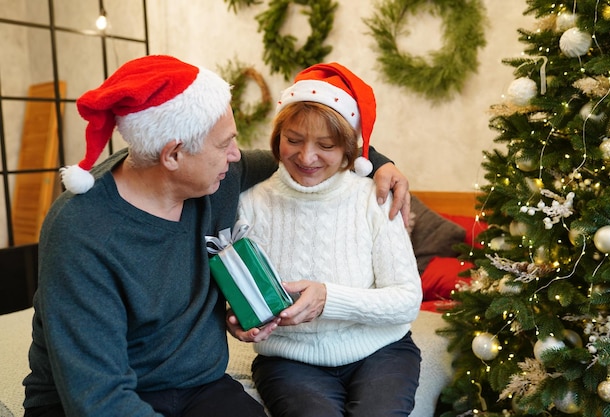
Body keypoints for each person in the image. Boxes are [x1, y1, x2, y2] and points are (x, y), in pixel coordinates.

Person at [22, 55, 411, 417]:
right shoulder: (82, 232)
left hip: (198, 388)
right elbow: (97, 398)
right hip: (104, 399)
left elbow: (305, 154)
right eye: (226, 144)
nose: (238, 155)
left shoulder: (219, 179)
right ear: (172, 155)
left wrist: (378, 162)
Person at [237, 62, 423, 417]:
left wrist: (328, 298)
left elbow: (407, 300)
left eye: (326, 145)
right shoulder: (250, 204)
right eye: (293, 140)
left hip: (381, 351)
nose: (306, 157)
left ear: (349, 150)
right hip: (289, 361)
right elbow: (247, 301)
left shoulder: (375, 196)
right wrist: (242, 319)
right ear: (277, 138)